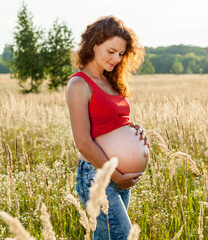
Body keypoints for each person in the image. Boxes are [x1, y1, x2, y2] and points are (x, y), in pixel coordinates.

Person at [66, 15, 149, 240]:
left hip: (120, 178)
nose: (116, 58)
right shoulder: (79, 84)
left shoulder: (111, 80)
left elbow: (114, 122)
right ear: (94, 45)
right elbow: (83, 142)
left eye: (121, 54)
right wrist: (115, 175)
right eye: (111, 51)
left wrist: (135, 130)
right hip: (98, 176)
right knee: (123, 237)